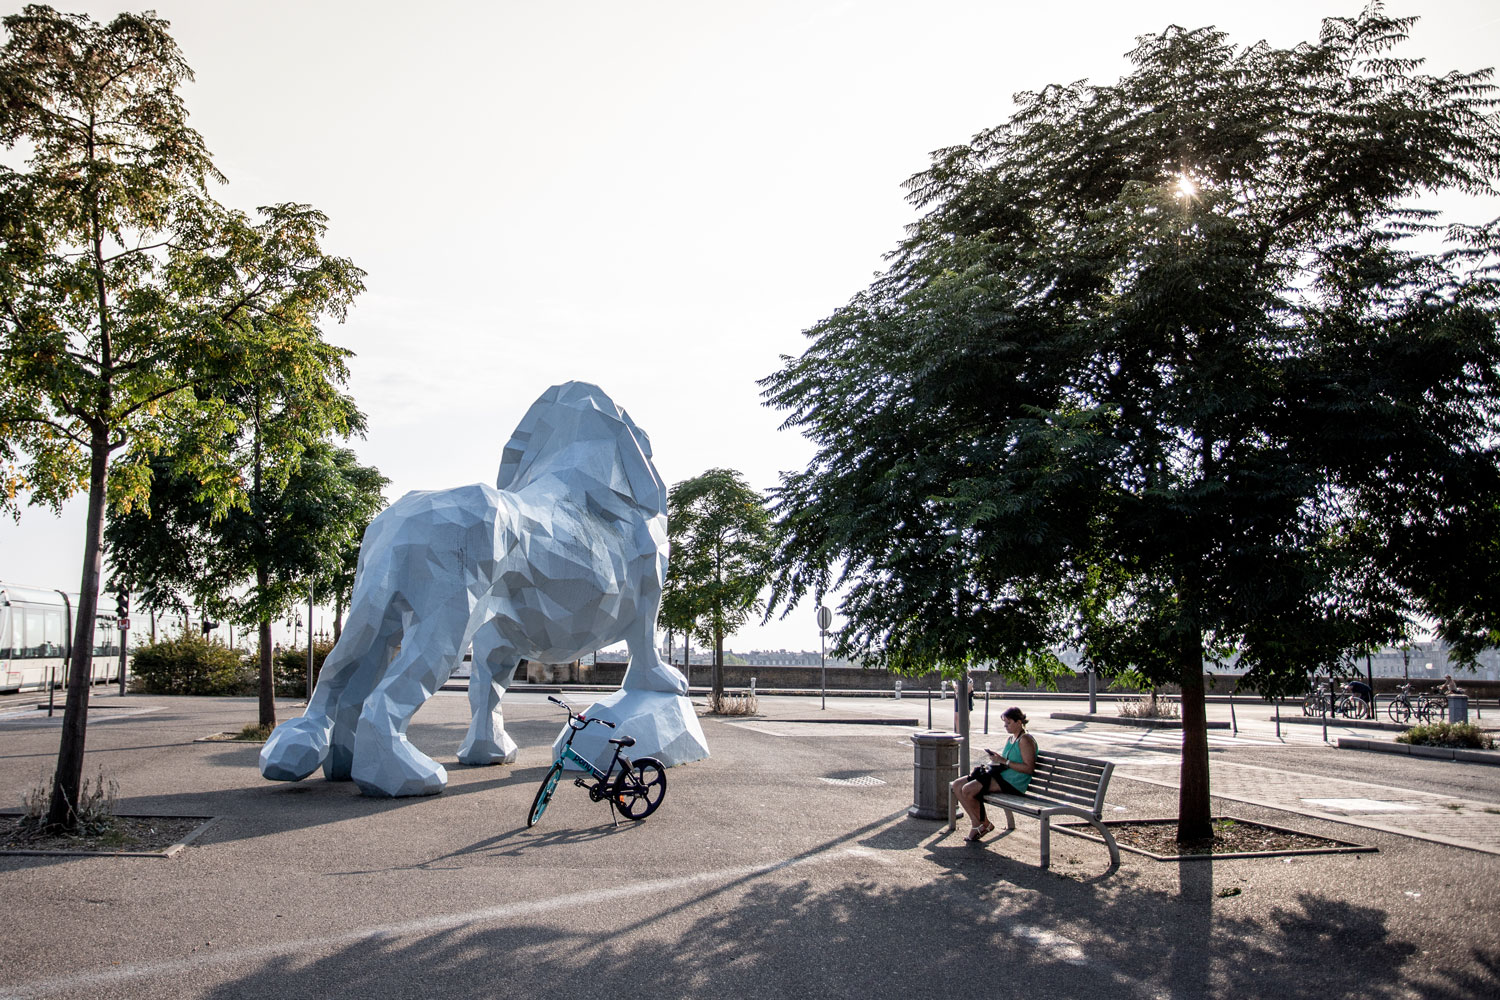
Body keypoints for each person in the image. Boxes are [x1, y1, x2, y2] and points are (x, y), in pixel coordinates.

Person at [950, 706, 1037, 842]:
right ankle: (978, 823)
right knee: (956, 785)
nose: (1005, 726)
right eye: (1004, 723)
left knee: (967, 790)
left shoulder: (1025, 740)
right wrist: (997, 759)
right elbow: (1006, 761)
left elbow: (1028, 768)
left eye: (1008, 723)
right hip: (1002, 777)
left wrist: (1003, 761)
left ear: (1019, 722)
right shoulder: (1010, 739)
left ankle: (983, 824)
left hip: (1014, 782)